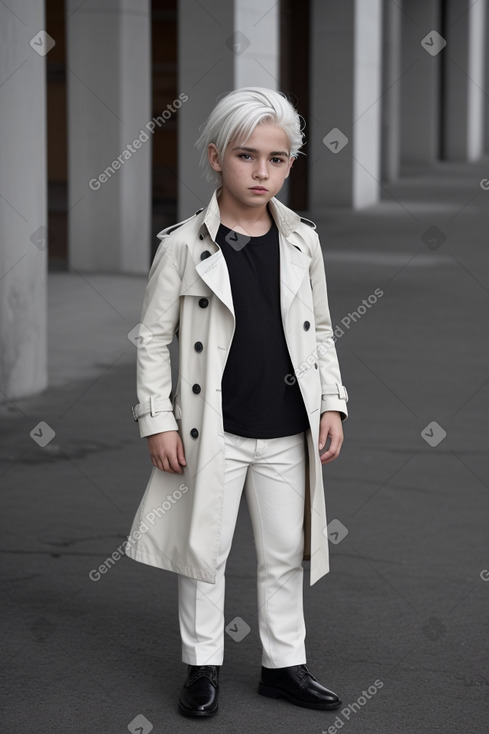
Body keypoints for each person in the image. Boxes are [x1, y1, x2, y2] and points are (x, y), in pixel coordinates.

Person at [125, 87, 349, 718]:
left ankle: (284, 665)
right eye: (247, 156)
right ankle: (203, 668)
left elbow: (324, 329)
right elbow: (151, 338)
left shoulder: (303, 241)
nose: (262, 172)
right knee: (204, 551)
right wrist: (158, 419)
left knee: (283, 550)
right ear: (216, 157)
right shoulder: (183, 245)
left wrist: (331, 403)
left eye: (277, 159)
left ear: (289, 165)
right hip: (210, 430)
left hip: (285, 426)